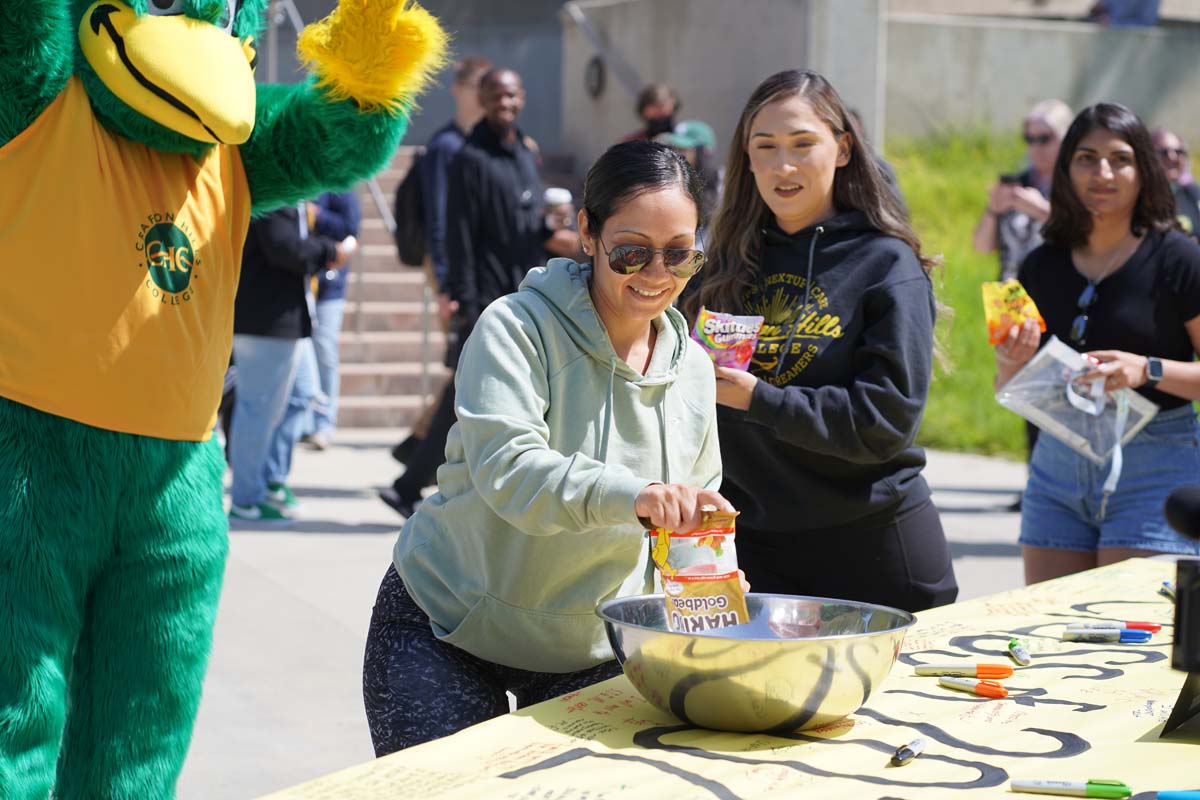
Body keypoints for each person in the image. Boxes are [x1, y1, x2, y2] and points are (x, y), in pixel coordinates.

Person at [363, 141, 725, 754]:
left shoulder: (693, 369)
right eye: (632, 251)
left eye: (679, 254)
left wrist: (711, 631)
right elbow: (512, 472)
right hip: (446, 621)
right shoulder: (515, 327)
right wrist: (636, 497)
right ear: (587, 232)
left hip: (591, 648)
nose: (656, 273)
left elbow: (696, 527)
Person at [683, 69, 957, 613]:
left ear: (843, 149)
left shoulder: (885, 263)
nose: (784, 166)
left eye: (803, 144)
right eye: (766, 147)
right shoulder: (721, 267)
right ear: (747, 157)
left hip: (874, 547)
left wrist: (760, 398)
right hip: (753, 551)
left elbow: (886, 420)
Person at [994, 103, 1200, 585]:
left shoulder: (1179, 259)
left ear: (1144, 169)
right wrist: (1012, 361)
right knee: (1051, 637)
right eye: (1086, 158)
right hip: (1058, 463)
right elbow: (1012, 387)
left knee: (1129, 643)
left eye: (1120, 158)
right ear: (1065, 171)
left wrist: (1146, 370)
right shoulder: (1040, 265)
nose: (1102, 172)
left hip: (1156, 462)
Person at [380, 67, 551, 519]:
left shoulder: (523, 153)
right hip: (487, 298)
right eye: (496, 95)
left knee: (474, 393)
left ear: (522, 97)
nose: (505, 103)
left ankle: (413, 476)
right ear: (482, 97)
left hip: (525, 291)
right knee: (468, 394)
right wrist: (462, 300)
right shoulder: (467, 156)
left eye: (511, 95)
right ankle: (410, 481)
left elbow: (523, 221)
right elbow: (457, 233)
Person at [391, 56, 491, 467]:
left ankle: (417, 444)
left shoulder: (482, 143)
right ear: (460, 90)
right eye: (479, 88)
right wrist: (446, 284)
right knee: (469, 362)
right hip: (453, 268)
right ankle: (420, 450)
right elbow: (438, 216)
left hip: (478, 268)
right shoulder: (446, 146)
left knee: (470, 363)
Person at [229, 205, 348, 522]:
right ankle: (245, 498)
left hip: (288, 320)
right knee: (256, 408)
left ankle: (270, 482)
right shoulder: (276, 194)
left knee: (302, 396)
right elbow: (285, 248)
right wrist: (331, 250)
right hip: (265, 321)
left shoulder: (290, 197)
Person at [973, 100, 1073, 282]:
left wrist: (1042, 211)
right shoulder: (1018, 181)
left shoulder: (1077, 186)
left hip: (1055, 292)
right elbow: (982, 247)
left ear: (1066, 138)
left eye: (1044, 139)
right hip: (1009, 297)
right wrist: (993, 210)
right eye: (1029, 139)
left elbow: (1088, 237)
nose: (1035, 148)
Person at [301, 190, 362, 450]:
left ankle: (324, 423)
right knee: (301, 353)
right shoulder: (299, 176)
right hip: (298, 279)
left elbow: (351, 228)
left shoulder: (339, 183)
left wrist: (317, 215)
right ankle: (302, 422)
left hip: (328, 282)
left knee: (324, 349)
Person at [656, 119, 722, 240]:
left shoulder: (724, 185)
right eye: (673, 148)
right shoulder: (669, 183)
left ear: (704, 152)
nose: (675, 154)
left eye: (683, 149)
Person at [1152, 127, 1200, 237]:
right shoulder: (1139, 198)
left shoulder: (1193, 193)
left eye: (1179, 152)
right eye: (1164, 152)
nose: (1172, 157)